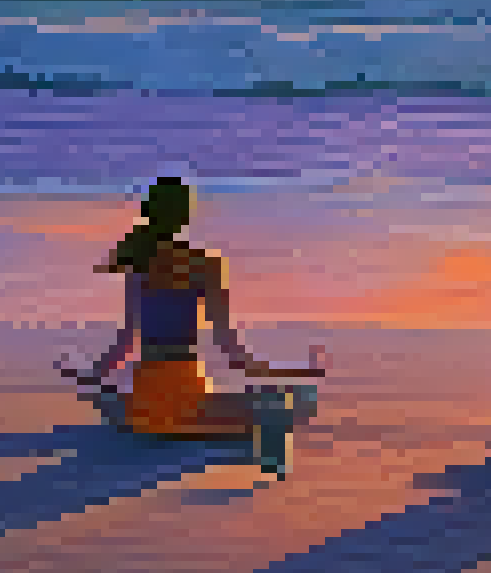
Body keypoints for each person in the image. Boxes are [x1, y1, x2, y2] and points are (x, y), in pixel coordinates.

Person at [58, 177, 326, 473]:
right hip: (186, 402)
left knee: (125, 400)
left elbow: (125, 344)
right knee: (280, 405)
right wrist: (292, 373)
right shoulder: (205, 265)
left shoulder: (138, 265)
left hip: (146, 406)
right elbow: (236, 357)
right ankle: (271, 471)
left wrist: (89, 376)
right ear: (185, 216)